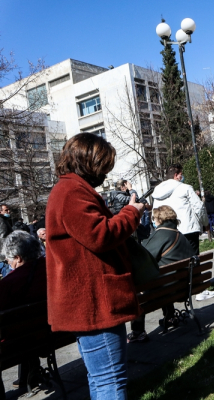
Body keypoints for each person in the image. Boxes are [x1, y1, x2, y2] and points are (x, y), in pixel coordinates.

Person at [45, 133, 145, 400]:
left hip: (90, 300)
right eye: (103, 166)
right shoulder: (71, 191)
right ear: (89, 162)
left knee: (102, 379)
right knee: (111, 380)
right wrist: (132, 212)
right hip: (93, 302)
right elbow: (99, 235)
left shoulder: (71, 189)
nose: (105, 173)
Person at [128, 205, 196, 343]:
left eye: (154, 218)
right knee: (166, 277)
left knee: (137, 292)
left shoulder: (161, 235)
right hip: (184, 286)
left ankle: (138, 331)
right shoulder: (179, 234)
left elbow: (144, 256)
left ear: (159, 219)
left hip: (166, 288)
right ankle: (169, 316)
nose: (153, 221)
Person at [0, 231, 47, 392]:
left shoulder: (9, 283)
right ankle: (31, 376)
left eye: (8, 259)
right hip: (51, 335)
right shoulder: (52, 269)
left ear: (18, 258)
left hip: (16, 346)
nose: (8, 262)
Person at [152, 164, 209, 254]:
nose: (182, 177)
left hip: (169, 234)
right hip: (188, 230)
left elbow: (154, 214)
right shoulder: (186, 188)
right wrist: (205, 223)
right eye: (181, 174)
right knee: (192, 261)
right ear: (176, 175)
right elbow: (199, 207)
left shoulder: (157, 193)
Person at [0, 204, 13, 278]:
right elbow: (3, 238)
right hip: (5, 255)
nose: (9, 211)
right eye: (6, 210)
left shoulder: (4, 220)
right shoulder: (2, 221)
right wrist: (6, 255)